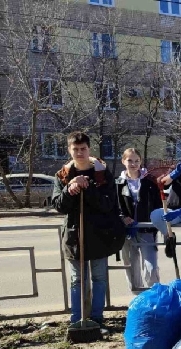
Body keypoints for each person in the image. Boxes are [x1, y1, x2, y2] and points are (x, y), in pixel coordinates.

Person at [51, 131, 124, 326]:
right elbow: (58, 205)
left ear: (89, 149)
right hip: (74, 237)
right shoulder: (63, 175)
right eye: (75, 149)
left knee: (99, 278)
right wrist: (70, 189)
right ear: (69, 150)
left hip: (100, 235)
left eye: (83, 149)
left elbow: (108, 204)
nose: (79, 153)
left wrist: (88, 187)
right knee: (77, 280)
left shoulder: (102, 173)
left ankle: (97, 318)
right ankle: (77, 320)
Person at [115, 148, 163, 292]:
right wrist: (122, 217)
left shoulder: (149, 182)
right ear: (123, 161)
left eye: (136, 161)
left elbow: (157, 205)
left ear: (141, 162)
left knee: (151, 267)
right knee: (131, 267)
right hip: (127, 232)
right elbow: (114, 206)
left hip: (147, 229)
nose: (133, 164)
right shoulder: (118, 183)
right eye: (130, 160)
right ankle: (138, 298)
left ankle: (154, 297)